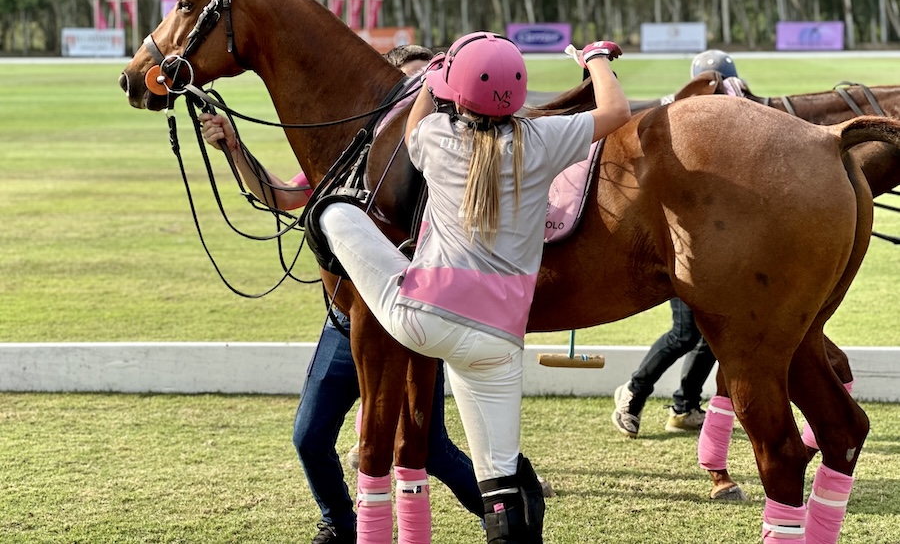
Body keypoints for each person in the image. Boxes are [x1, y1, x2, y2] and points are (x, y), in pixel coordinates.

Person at [304, 32, 631, 544]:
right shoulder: (542, 141)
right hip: (498, 343)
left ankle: (346, 306)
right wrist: (595, 61)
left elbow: (416, 120)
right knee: (500, 484)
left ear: (457, 90)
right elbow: (615, 111)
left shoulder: (436, 136)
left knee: (332, 209)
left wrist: (435, 77)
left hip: (420, 318)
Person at [199, 45, 483, 544]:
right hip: (347, 327)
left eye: (426, 91)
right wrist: (234, 148)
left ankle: (505, 510)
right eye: (406, 90)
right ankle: (339, 522)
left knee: (426, 449)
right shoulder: (346, 163)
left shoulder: (442, 170)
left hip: (412, 331)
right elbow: (282, 197)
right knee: (308, 439)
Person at [611, 49, 750, 439]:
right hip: (680, 244)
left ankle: (685, 407)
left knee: (713, 333)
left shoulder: (739, 122)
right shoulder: (676, 124)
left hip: (720, 249)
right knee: (685, 332)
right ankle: (633, 393)